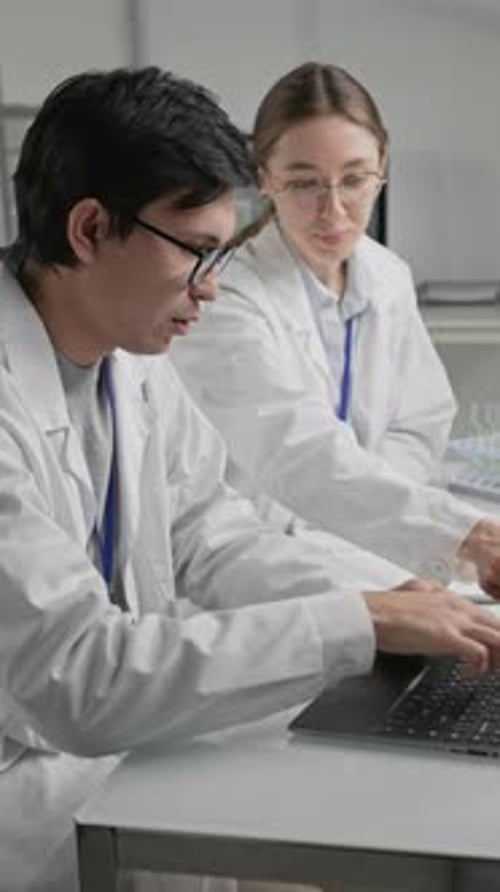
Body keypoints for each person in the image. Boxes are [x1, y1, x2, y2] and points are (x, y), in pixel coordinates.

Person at [1, 66, 500, 892]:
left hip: (103, 748)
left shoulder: (132, 361)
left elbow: (212, 535)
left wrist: (404, 595)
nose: (213, 287)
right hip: (27, 784)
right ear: (89, 230)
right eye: (198, 252)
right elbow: (79, 677)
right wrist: (358, 620)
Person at [170, 61, 500, 591]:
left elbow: (421, 422)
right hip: (269, 564)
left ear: (383, 166)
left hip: (374, 548)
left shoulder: (387, 276)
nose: (334, 210)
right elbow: (295, 453)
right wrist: (453, 533)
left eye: (354, 179)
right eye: (304, 183)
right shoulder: (225, 298)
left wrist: (371, 513)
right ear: (264, 179)